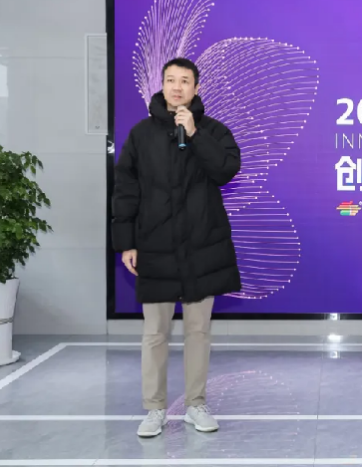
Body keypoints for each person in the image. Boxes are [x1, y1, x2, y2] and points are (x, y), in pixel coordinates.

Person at [111, 57, 242, 438]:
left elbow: (226, 170)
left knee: (198, 330)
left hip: (202, 244)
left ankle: (195, 404)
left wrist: (195, 133)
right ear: (162, 85)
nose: (177, 87)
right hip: (155, 245)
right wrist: (126, 242)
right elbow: (126, 190)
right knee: (155, 332)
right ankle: (154, 409)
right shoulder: (141, 135)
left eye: (185, 81)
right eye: (171, 80)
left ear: (196, 88)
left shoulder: (213, 131)